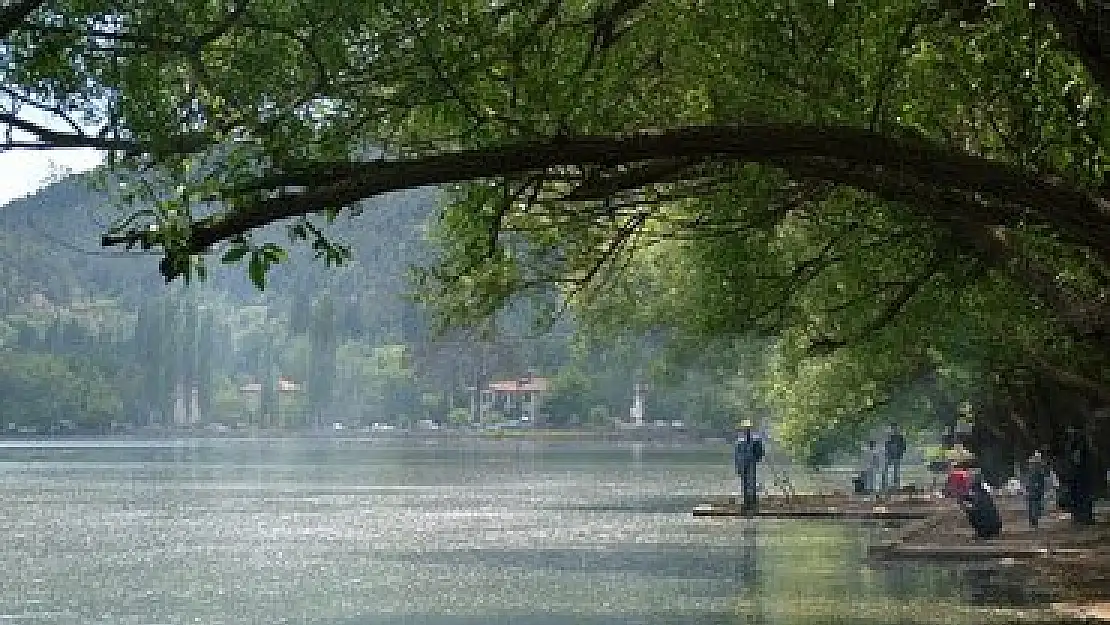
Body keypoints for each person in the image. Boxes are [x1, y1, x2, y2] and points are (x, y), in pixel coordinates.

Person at [734, 420, 765, 515]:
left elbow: (760, 451)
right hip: (743, 464)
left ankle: (753, 501)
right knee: (744, 483)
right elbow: (737, 455)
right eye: (745, 429)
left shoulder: (756, 440)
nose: (747, 430)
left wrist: (757, 459)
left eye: (748, 429)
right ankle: (746, 501)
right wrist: (738, 467)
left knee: (752, 482)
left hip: (751, 463)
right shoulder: (739, 441)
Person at [1024, 450, 1050, 528]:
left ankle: (1034, 520)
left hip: (1037, 490)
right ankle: (1033, 521)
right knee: (1034, 505)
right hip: (1034, 490)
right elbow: (1029, 480)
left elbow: (1043, 479)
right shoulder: (1033, 470)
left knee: (1036, 505)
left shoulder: (1039, 470)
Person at [883, 423, 907, 493]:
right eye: (893, 428)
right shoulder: (889, 436)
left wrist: (900, 453)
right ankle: (884, 483)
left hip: (897, 456)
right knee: (886, 469)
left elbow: (903, 447)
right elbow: (886, 446)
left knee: (896, 470)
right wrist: (887, 454)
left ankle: (896, 484)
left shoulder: (900, 437)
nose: (894, 429)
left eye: (895, 428)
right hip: (890, 456)